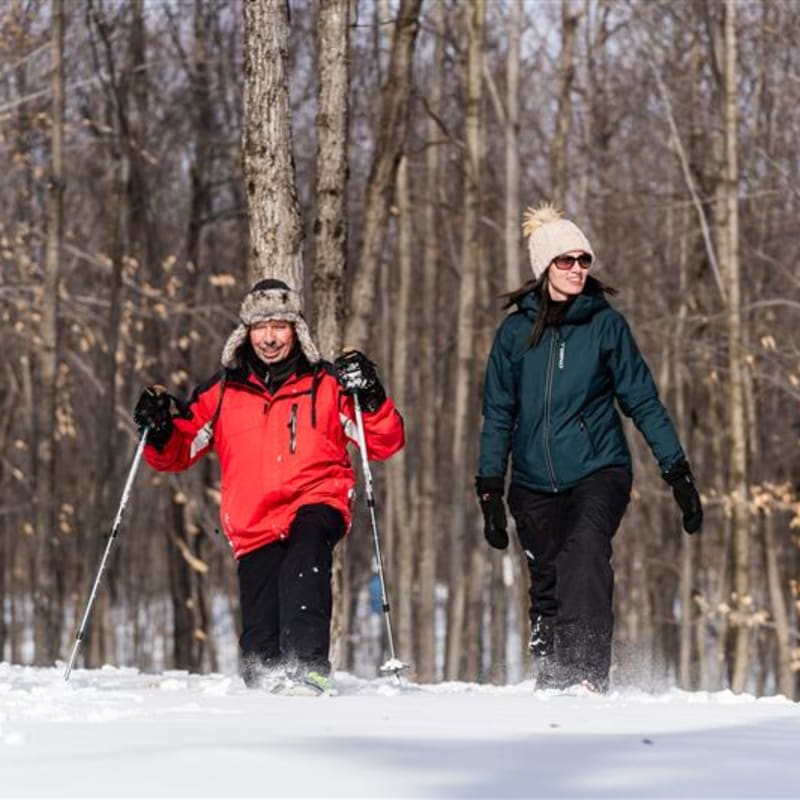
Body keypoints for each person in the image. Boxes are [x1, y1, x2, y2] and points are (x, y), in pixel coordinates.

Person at [133, 278, 405, 694]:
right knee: (261, 647)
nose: (270, 337)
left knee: (305, 556)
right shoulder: (223, 391)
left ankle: (307, 667)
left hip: (318, 499)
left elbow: (384, 442)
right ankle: (269, 691)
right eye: (261, 327)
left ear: (296, 330)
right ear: (246, 332)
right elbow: (179, 450)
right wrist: (158, 428)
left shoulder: (327, 384)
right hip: (254, 521)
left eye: (279, 325)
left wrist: (370, 394)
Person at [476, 204, 702, 693]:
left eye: (584, 259)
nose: (578, 268)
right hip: (532, 481)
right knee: (548, 579)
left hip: (599, 469)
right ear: (544, 268)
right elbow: (497, 413)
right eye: (566, 260)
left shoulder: (606, 327)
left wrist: (677, 471)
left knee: (585, 553)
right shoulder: (514, 334)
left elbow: (641, 400)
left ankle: (585, 673)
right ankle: (553, 675)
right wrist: (490, 489)